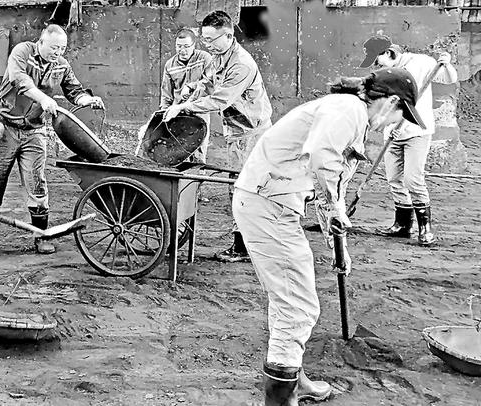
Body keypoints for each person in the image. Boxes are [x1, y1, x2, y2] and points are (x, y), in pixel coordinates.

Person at [231, 68, 425, 405]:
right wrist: (334, 206)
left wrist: (340, 248)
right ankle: (281, 398)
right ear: (391, 101)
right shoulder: (347, 109)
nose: (398, 124)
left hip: (271, 202)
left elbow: (330, 190)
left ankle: (294, 378)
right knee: (298, 306)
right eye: (401, 115)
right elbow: (322, 158)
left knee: (289, 298)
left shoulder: (350, 117)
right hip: (267, 204)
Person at [0, 24, 104, 256]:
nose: (58, 52)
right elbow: (19, 80)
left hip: (34, 130)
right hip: (3, 127)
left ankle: (41, 235)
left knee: (37, 184)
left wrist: (87, 100)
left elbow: (74, 91)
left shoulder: (61, 65)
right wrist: (43, 98)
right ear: (41, 42)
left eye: (62, 48)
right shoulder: (22, 52)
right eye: (54, 48)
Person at [163, 10, 273, 263]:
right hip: (237, 130)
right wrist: (194, 88)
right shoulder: (219, 56)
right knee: (243, 185)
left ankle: (242, 247)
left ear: (229, 36)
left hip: (250, 133)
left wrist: (185, 107)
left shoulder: (241, 65)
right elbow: (209, 83)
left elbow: (220, 99)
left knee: (242, 188)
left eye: (211, 40)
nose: (207, 45)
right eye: (204, 39)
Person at [358, 34, 459, 246]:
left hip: (417, 132)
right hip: (392, 133)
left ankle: (425, 228)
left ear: (389, 53)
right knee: (394, 179)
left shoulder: (421, 62)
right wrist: (386, 125)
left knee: (413, 179)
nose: (376, 66)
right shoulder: (384, 75)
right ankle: (403, 225)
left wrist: (446, 64)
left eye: (377, 60)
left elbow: (449, 78)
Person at [134, 28, 214, 162]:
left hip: (199, 110)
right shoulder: (170, 65)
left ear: (194, 45)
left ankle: (197, 172)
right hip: (177, 113)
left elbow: (210, 82)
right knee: (176, 148)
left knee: (198, 148)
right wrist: (163, 114)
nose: (182, 50)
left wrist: (191, 87)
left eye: (186, 46)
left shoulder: (204, 58)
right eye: (179, 46)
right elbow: (166, 95)